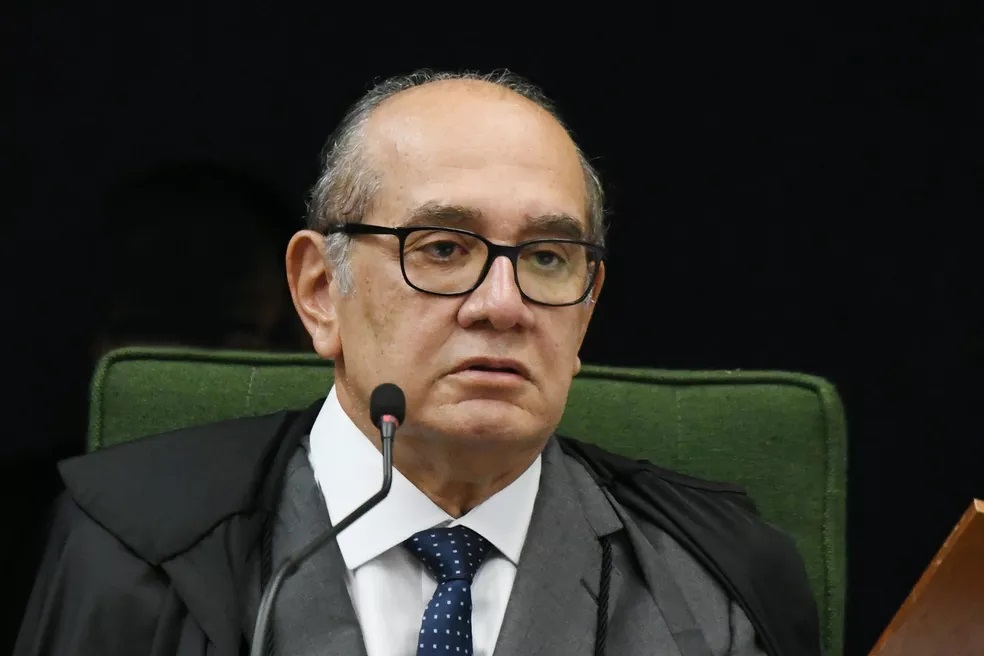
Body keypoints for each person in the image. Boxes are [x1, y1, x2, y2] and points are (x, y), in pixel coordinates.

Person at [15, 70, 822, 656]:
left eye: (547, 258)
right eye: (442, 248)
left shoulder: (717, 576)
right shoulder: (133, 551)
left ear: (586, 311)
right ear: (320, 291)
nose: (502, 304)